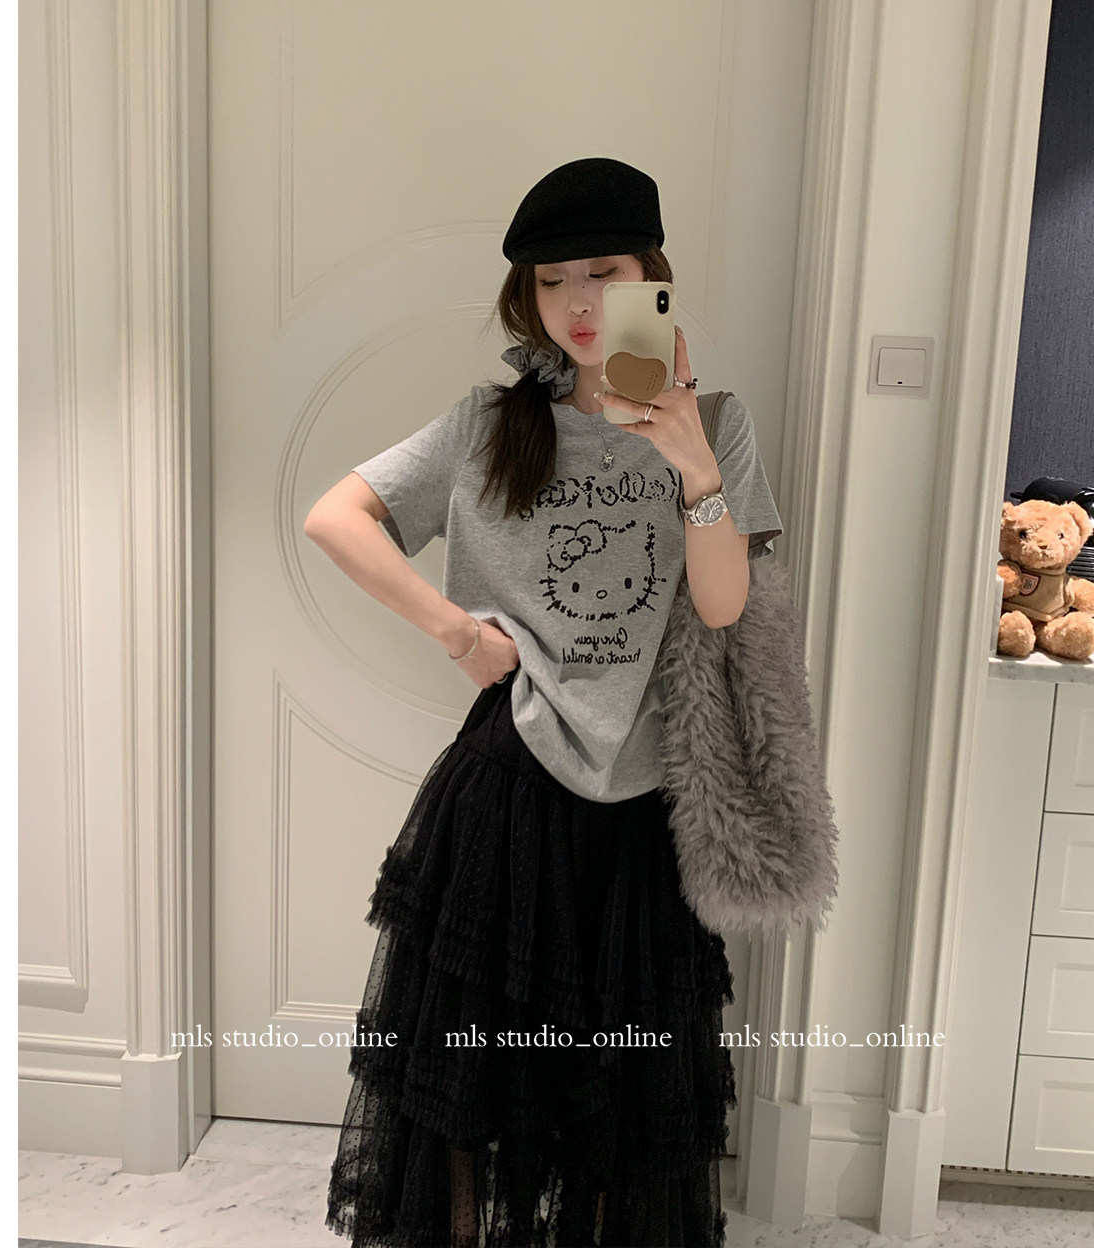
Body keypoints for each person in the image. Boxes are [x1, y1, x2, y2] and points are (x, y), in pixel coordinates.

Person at [310, 157, 784, 1247]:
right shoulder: (490, 423)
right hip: (510, 784)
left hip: (648, 795)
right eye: (551, 278)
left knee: (622, 1091)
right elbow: (336, 516)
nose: (577, 302)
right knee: (467, 1079)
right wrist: (456, 632)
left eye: (602, 272)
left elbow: (722, 608)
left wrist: (694, 469)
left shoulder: (716, 423)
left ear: (650, 278)